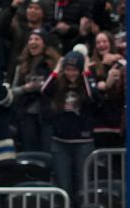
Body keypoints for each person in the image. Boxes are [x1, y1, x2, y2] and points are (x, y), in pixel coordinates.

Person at [40, 51, 99, 198]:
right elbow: (44, 90)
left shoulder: (86, 84)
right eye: (68, 69)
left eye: (74, 70)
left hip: (83, 142)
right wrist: (56, 69)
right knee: (63, 185)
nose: (71, 73)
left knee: (82, 185)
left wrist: (86, 72)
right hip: (60, 143)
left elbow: (93, 95)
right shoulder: (59, 84)